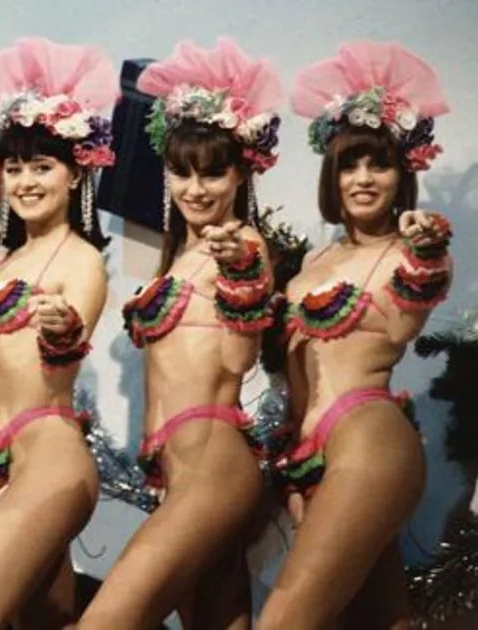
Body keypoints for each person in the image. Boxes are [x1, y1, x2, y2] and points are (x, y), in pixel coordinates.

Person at [78, 37, 285, 629]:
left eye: (213, 173)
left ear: (241, 171)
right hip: (178, 471)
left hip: (213, 465)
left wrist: (241, 274)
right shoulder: (181, 256)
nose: (196, 189)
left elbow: (237, 359)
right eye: (182, 171)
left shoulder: (242, 244)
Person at [258, 41, 453, 629]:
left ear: (403, 173)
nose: (363, 179)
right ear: (332, 173)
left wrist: (426, 249)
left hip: (370, 443)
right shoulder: (314, 261)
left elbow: (408, 314)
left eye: (380, 165)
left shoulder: (409, 252)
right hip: (311, 456)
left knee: (285, 619)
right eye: (350, 165)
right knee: (377, 619)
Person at [0, 36, 114, 629]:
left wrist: (63, 325)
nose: (26, 181)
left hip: (49, 459)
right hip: (2, 466)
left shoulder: (80, 258)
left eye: (42, 167)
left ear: (75, 174)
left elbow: (72, 327)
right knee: (44, 620)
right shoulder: (4, 264)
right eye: (14, 168)